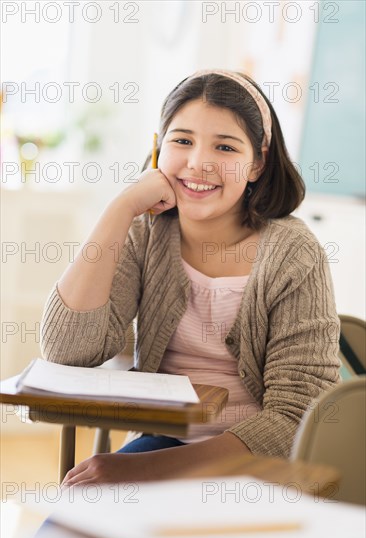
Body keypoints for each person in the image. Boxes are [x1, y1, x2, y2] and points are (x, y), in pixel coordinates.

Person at [40, 69, 340, 487]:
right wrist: (121, 209)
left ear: (258, 162)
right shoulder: (144, 230)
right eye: (182, 141)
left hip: (259, 460)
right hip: (166, 441)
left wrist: (146, 469)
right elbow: (68, 350)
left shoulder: (293, 252)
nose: (198, 162)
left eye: (225, 146)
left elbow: (298, 414)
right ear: (157, 148)